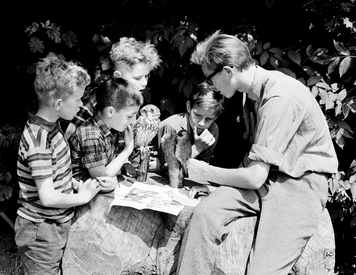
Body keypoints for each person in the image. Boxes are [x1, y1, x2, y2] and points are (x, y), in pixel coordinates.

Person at [177, 31, 338, 275]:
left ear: (228, 72)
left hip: (299, 185)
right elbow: (254, 164)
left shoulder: (279, 97)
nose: (212, 88)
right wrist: (219, 188)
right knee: (204, 215)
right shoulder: (251, 94)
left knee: (262, 271)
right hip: (266, 178)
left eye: (210, 80)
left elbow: (254, 177)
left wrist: (206, 173)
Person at [15, 53, 117, 274]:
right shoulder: (39, 140)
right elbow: (48, 197)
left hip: (55, 224)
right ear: (59, 103)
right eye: (79, 99)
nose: (82, 104)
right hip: (41, 230)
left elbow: (54, 172)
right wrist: (83, 197)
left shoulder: (54, 128)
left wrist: (75, 183)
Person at [64, 36, 161, 141]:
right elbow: (70, 134)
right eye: (137, 78)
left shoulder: (133, 97)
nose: (144, 83)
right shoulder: (99, 98)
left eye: (146, 76)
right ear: (118, 76)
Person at [69, 77, 144, 181]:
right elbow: (101, 177)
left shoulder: (111, 128)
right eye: (129, 116)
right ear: (110, 112)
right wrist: (127, 150)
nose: (133, 121)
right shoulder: (91, 134)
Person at [156, 82, 223, 171]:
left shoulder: (213, 130)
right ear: (188, 107)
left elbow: (202, 168)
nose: (202, 123)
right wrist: (197, 148)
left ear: (216, 117)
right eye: (197, 115)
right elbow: (170, 170)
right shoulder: (171, 127)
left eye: (209, 119)